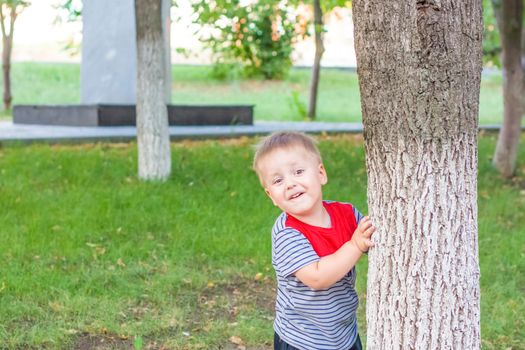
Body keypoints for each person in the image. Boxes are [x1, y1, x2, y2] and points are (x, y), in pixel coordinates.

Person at [252, 131, 376, 350]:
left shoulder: (346, 214)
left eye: (298, 172)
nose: (290, 184)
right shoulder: (287, 233)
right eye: (278, 180)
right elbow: (318, 277)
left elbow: (374, 239)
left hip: (344, 333)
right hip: (301, 339)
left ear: (321, 174)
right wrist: (355, 245)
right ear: (271, 195)